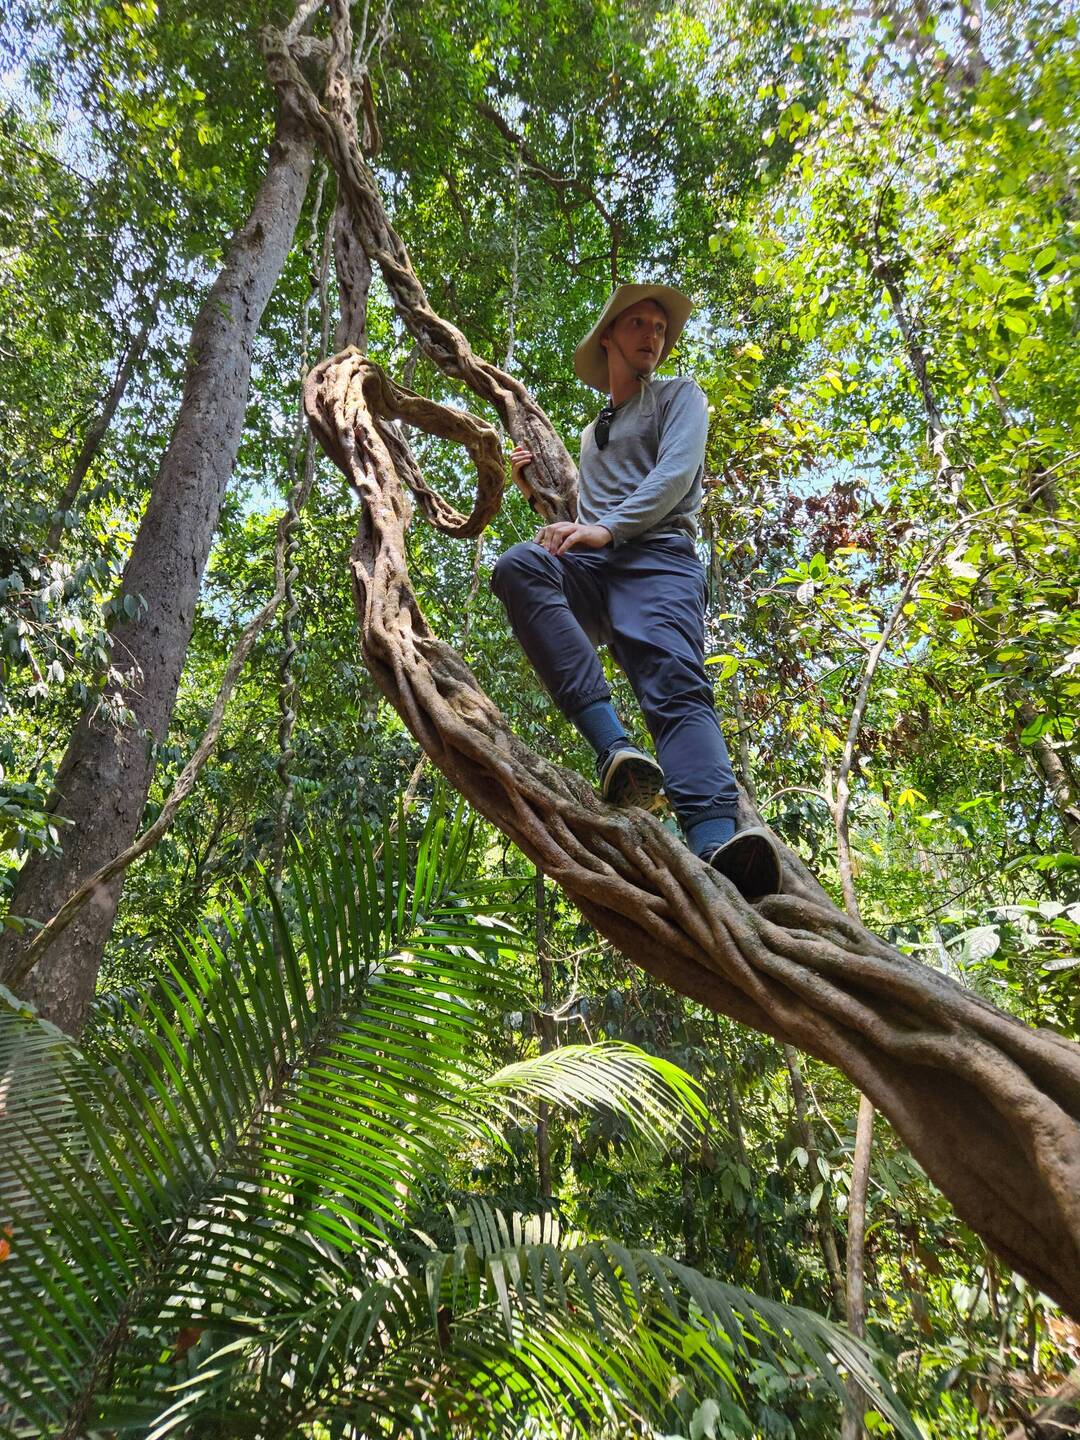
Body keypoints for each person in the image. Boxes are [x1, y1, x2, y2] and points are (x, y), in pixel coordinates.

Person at [490, 283, 782, 901]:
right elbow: (587, 516)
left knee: (674, 683)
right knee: (520, 566)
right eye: (639, 324)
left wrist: (605, 529)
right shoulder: (591, 434)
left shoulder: (680, 396)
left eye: (660, 327)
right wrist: (532, 491)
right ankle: (615, 753)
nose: (654, 334)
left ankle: (714, 843)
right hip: (600, 566)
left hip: (659, 559)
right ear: (608, 338)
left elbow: (675, 475)